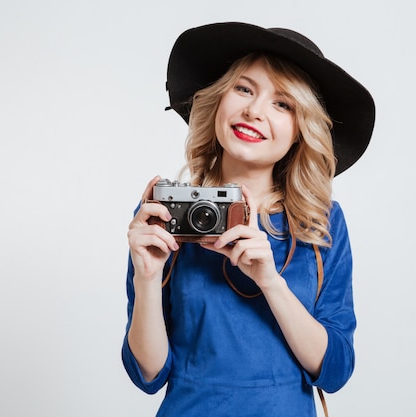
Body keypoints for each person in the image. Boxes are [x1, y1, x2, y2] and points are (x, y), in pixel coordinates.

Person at [122, 22, 375, 417]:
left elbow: (335, 370)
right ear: (219, 100)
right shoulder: (166, 215)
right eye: (244, 89)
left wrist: (270, 282)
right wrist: (147, 278)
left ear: (298, 131)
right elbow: (148, 373)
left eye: (283, 103)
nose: (254, 111)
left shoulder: (321, 223)